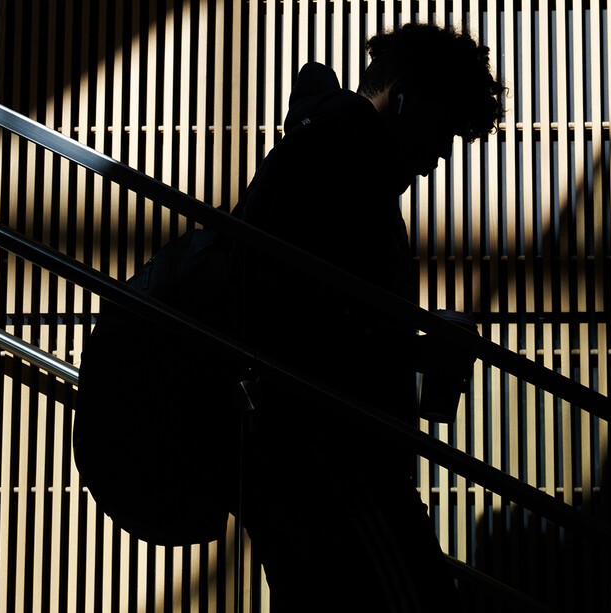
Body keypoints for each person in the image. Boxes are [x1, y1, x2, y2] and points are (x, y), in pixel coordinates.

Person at [231, 24, 505, 611]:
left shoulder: (329, 157)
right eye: (442, 130)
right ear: (402, 96)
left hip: (304, 455)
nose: (438, 158)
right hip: (329, 458)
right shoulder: (338, 166)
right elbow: (309, 329)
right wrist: (419, 352)